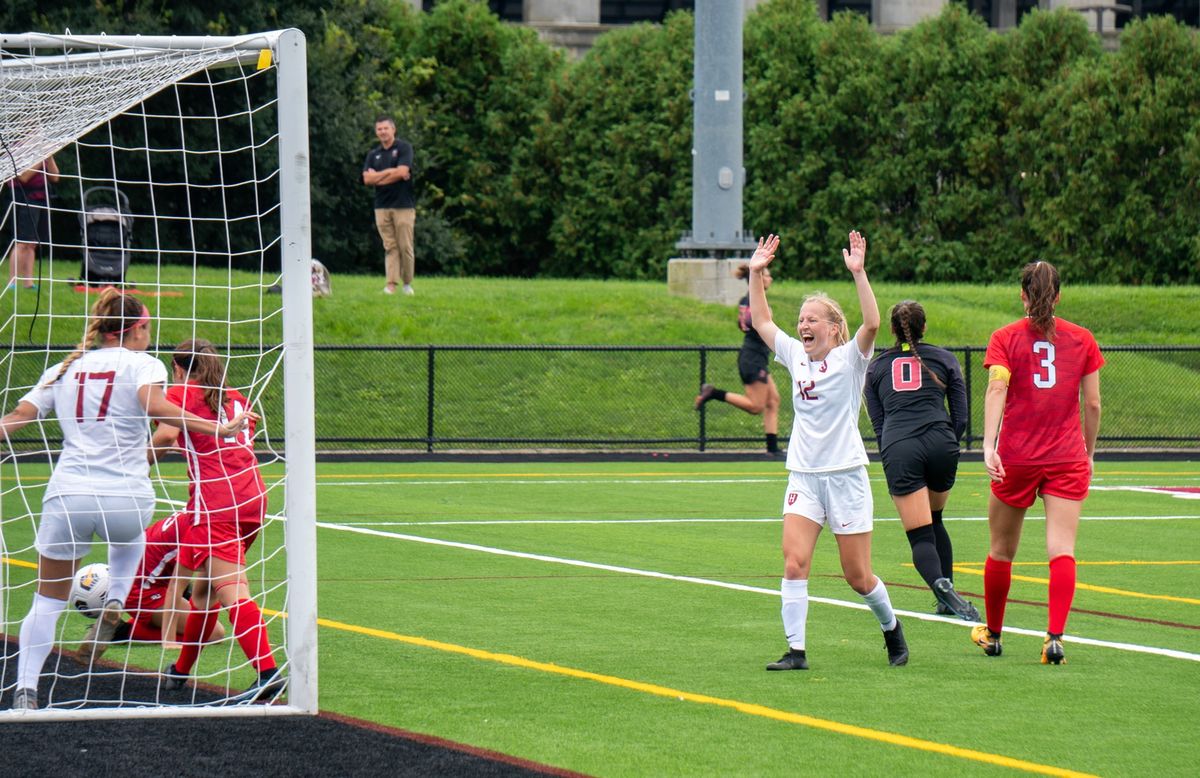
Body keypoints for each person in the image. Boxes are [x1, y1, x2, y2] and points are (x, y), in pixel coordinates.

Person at [0, 290, 251, 710]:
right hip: (126, 495)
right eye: (147, 330)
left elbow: (19, 418)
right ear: (136, 330)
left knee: (46, 601)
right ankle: (116, 593)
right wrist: (219, 430)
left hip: (68, 495)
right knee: (130, 537)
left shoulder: (65, 367)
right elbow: (157, 407)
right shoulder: (144, 364)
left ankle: (26, 689)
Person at [747, 231, 908, 671]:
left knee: (858, 576)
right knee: (794, 563)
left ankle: (891, 628)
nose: (804, 325)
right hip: (804, 476)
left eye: (813, 320)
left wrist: (859, 273)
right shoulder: (796, 355)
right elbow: (762, 323)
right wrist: (757, 273)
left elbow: (872, 323)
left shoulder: (850, 359)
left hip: (846, 476)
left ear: (834, 328)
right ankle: (795, 651)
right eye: (801, 319)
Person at [972, 260, 1103, 665]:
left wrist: (988, 445)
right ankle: (1054, 639)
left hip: (1017, 457)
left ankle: (993, 635)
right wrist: (1089, 452)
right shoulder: (1082, 339)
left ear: (1023, 295)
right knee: (1061, 549)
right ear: (1059, 296)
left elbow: (997, 389)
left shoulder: (1005, 337)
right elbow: (1093, 404)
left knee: (1001, 550)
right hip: (1066, 456)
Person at [150, 338, 282, 702]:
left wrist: (137, 463)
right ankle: (180, 670)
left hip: (216, 504)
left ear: (178, 368)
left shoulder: (181, 393)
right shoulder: (235, 397)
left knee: (232, 591)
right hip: (252, 499)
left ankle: (267, 671)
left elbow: (165, 435)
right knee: (206, 593)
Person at [866, 301, 978, 621]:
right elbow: (961, 416)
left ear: (891, 329)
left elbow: (879, 423)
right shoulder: (944, 358)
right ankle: (948, 595)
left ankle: (942, 588)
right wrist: (946, 442)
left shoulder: (876, 367)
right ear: (924, 327)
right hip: (942, 443)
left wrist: (895, 447)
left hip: (901, 446)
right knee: (936, 518)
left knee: (920, 535)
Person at [94, 514, 227, 652]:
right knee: (213, 634)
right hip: (141, 589)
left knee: (199, 603)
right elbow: (182, 583)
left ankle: (146, 623)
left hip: (141, 572)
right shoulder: (204, 528)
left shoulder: (197, 514)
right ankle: (123, 631)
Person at [694, 264, 783, 456]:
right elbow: (754, 324)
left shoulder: (747, 298)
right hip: (753, 358)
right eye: (767, 275)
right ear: (758, 278)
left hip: (755, 356)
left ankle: (772, 448)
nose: (770, 279)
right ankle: (714, 393)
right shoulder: (754, 299)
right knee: (756, 406)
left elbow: (743, 325)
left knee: (773, 400)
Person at [362, 116, 415, 296]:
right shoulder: (373, 154)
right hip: (381, 206)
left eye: (386, 128)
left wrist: (380, 177)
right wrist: (390, 173)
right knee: (390, 246)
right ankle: (391, 284)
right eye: (379, 129)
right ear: (376, 132)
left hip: (403, 206)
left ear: (393, 129)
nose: (382, 132)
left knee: (405, 246)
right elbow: (367, 179)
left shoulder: (403, 148)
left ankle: (407, 283)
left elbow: (402, 172)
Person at [8, 154, 59, 290]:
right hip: (24, 198)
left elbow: (55, 177)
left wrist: (50, 156)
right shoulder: (21, 151)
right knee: (22, 242)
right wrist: (41, 158)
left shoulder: (43, 152)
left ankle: (28, 283)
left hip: (41, 199)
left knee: (32, 244)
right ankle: (12, 281)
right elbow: (24, 176)